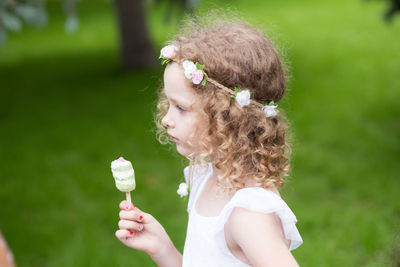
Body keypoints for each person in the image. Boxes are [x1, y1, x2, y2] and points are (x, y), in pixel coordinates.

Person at [115, 16, 303, 266]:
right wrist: (163, 249)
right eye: (168, 104)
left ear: (228, 117)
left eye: (181, 108)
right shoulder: (209, 176)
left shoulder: (247, 215)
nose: (166, 119)